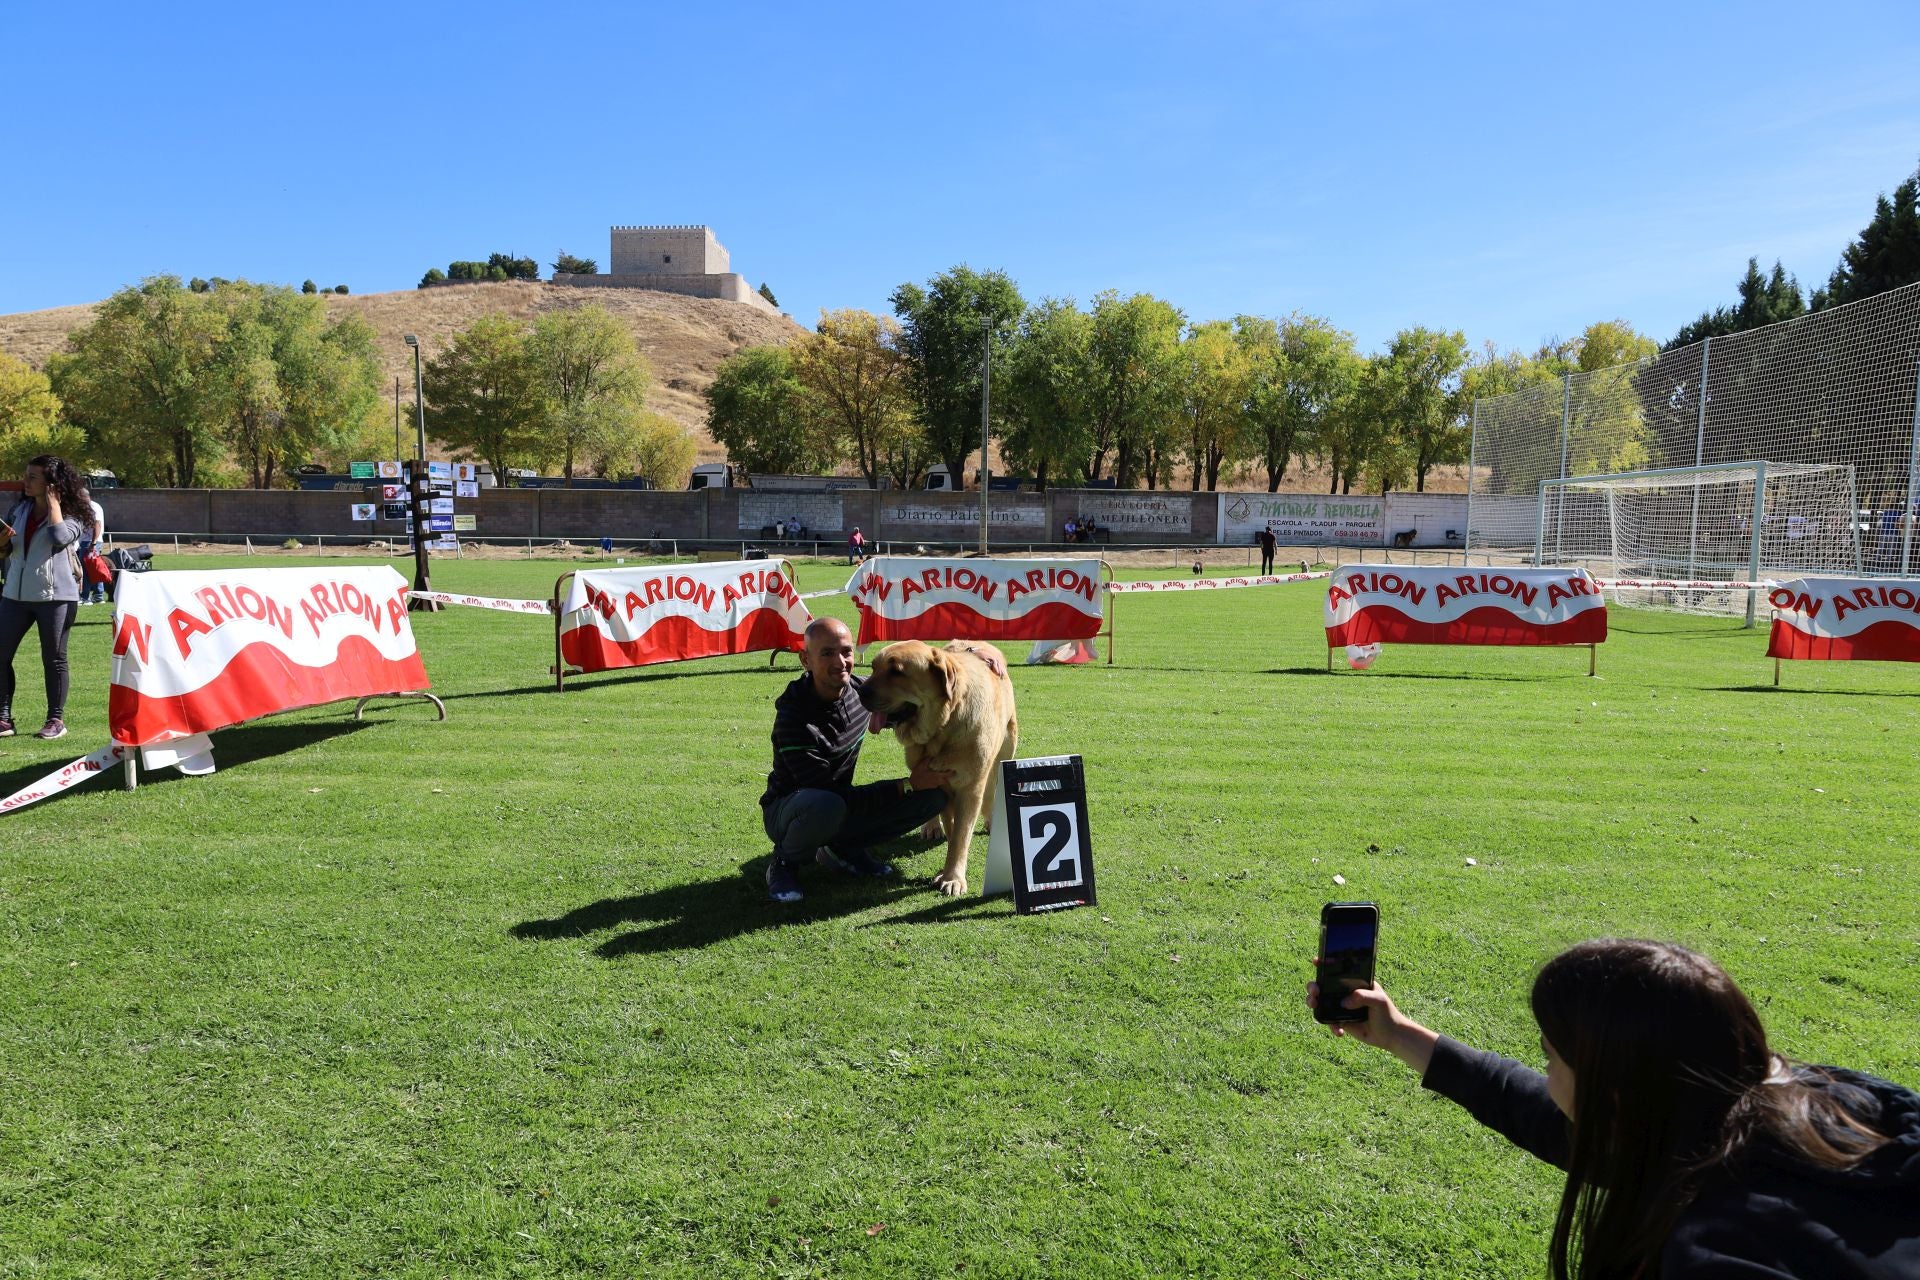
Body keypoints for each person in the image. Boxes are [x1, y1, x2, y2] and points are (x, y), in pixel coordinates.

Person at [1307, 938, 1919, 1280]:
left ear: (1617, 1093)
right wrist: (1398, 1034)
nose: (1546, 1076)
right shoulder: (1852, 1107)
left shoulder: (1721, 1254)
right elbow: (1537, 1109)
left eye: (1551, 1058)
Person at [760, 617, 951, 903]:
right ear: (805, 659)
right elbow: (831, 792)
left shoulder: (862, 695)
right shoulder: (793, 718)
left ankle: (842, 849)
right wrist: (907, 784)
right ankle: (784, 863)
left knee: (934, 798)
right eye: (827, 653)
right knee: (826, 805)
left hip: (836, 803)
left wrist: (977, 659)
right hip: (791, 811)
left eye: (846, 651)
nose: (840, 662)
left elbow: (921, 701)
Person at [0, 455, 92, 740]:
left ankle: (55, 720)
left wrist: (53, 504)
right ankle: (3, 719)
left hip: (56, 598)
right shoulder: (20, 510)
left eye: (33, 477)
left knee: (53, 658)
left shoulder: (74, 513)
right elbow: (9, 552)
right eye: (25, 476)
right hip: (15, 595)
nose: (25, 482)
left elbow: (59, 537)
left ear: (52, 484)